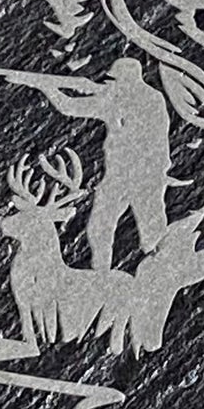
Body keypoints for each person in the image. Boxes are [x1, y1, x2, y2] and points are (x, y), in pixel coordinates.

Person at [19, 57, 172, 270]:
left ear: (127, 80)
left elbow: (68, 106)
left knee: (143, 230)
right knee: (104, 228)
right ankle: (105, 275)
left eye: (115, 80)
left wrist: (47, 87)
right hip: (128, 175)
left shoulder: (125, 100)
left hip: (140, 175)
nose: (110, 84)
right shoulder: (147, 98)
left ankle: (155, 274)